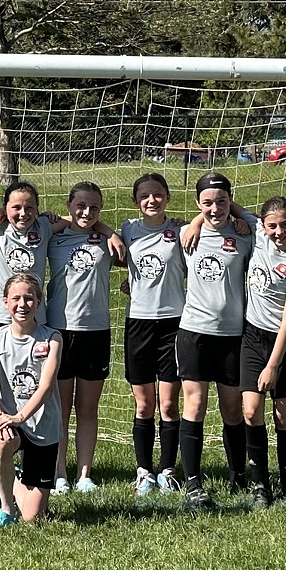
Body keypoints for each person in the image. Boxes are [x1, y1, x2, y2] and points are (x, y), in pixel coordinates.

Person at [176, 173, 255, 509]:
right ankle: (193, 481)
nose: (214, 208)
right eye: (206, 203)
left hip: (233, 335)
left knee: (232, 408)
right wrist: (196, 222)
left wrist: (235, 212)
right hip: (194, 332)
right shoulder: (186, 235)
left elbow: (257, 222)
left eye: (221, 201)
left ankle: (239, 475)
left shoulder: (243, 234)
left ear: (231, 200)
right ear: (197, 205)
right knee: (194, 405)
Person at [240, 197, 286, 510]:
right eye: (272, 225)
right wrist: (198, 223)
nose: (278, 231)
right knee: (252, 411)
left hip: (285, 342)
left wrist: (273, 365)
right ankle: (260, 485)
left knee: (283, 414)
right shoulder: (257, 235)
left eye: (285, 224)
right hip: (253, 336)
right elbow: (227, 207)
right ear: (263, 226)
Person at [119, 172, 186, 496]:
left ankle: (168, 470)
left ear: (167, 197)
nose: (152, 200)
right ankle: (144, 470)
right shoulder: (128, 229)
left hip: (174, 324)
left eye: (158, 194)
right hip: (139, 324)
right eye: (145, 195)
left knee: (169, 404)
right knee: (144, 405)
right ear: (136, 201)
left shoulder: (181, 230)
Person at [47, 181, 114, 494]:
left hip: (96, 331)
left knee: (88, 408)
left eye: (94, 207)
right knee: (60, 407)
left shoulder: (107, 240)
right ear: (69, 205)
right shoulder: (53, 237)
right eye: (80, 206)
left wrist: (108, 230)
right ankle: (59, 472)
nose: (87, 212)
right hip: (59, 331)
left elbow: (130, 253)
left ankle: (84, 474)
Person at [0, 273, 63, 532]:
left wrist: (20, 417)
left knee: (33, 517)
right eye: (16, 298)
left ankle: (7, 478)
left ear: (39, 303)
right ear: (5, 302)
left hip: (41, 424)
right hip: (8, 420)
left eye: (29, 298)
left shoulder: (52, 339)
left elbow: (46, 387)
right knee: (3, 440)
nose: (22, 304)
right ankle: (5, 509)